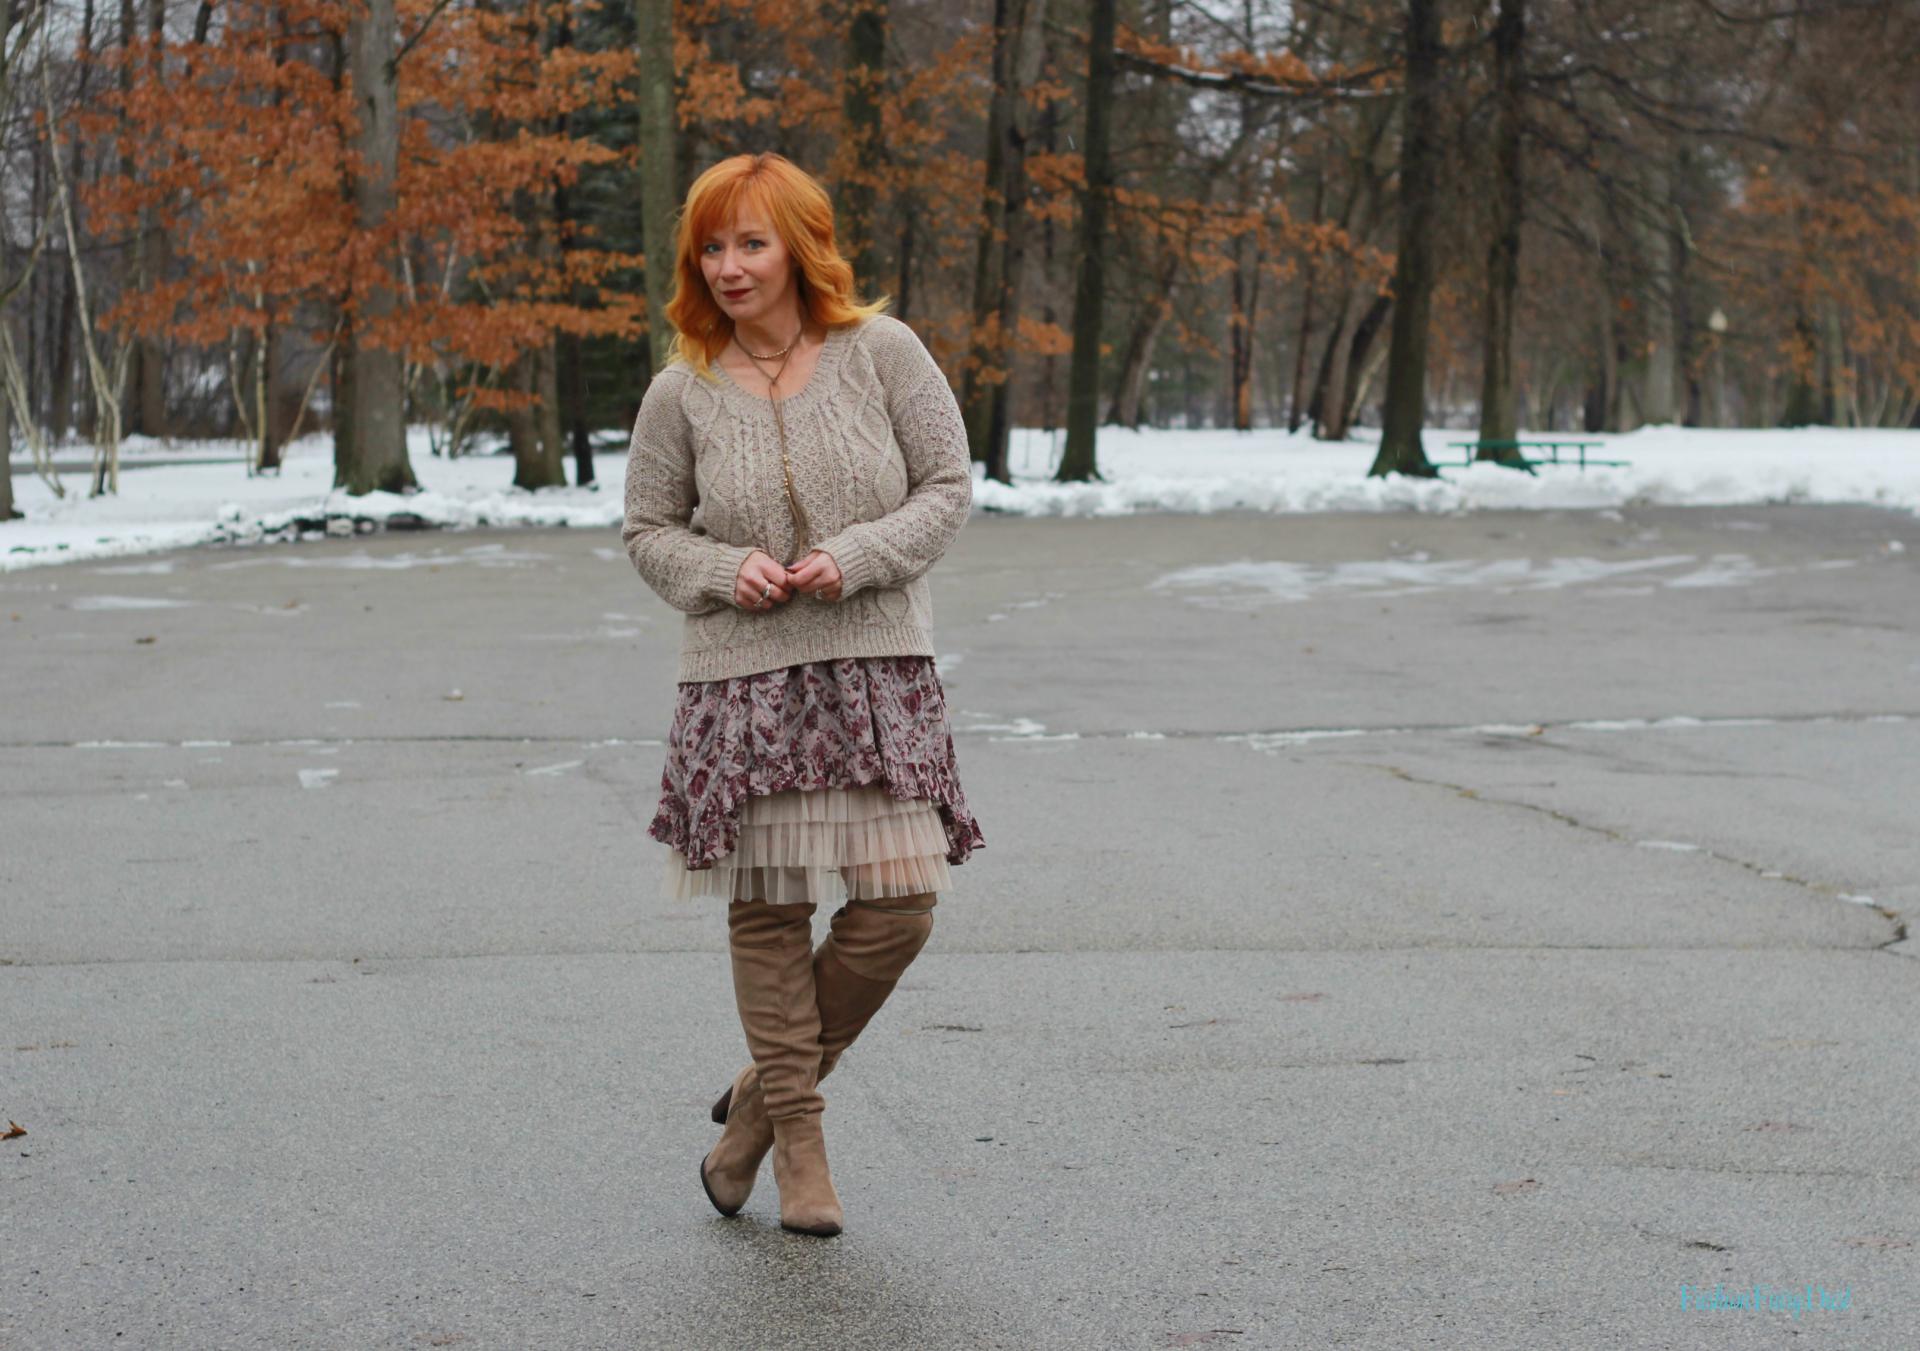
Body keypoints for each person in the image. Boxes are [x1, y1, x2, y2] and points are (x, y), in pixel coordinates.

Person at [620, 152, 985, 1238]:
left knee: (898, 908)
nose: (729, 267)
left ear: (799, 247)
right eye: (712, 247)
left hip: (876, 667)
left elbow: (949, 486)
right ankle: (802, 1145)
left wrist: (860, 552)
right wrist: (718, 570)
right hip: (744, 679)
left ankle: (751, 1118)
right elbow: (647, 529)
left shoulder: (883, 353)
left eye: (751, 243)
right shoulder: (679, 389)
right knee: (769, 910)